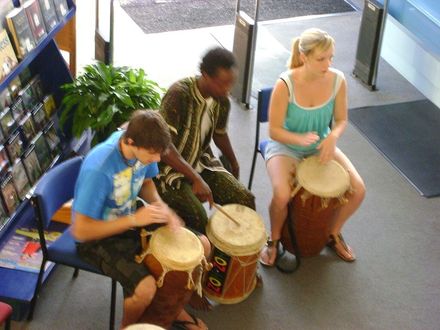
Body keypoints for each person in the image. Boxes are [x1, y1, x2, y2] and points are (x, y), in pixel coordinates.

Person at [71, 110, 209, 329]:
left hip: (131, 217)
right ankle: (131, 326)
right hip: (96, 239)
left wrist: (160, 206)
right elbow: (79, 231)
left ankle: (170, 310)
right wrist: (134, 220)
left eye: (159, 154)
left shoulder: (143, 146)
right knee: (145, 289)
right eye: (152, 154)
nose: (156, 160)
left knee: (201, 245)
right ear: (130, 141)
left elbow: (146, 183)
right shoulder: (99, 169)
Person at [259, 28, 366, 266]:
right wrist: (299, 139)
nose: (328, 64)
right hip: (286, 146)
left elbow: (341, 120)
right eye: (321, 58)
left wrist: (333, 137)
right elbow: (273, 130)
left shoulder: (338, 80)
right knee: (282, 194)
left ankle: (333, 232)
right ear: (304, 57)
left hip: (320, 144)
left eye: (331, 58)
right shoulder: (285, 84)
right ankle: (274, 240)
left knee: (358, 190)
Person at [154, 47, 255, 234]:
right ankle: (205, 258)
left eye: (230, 84)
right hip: (167, 171)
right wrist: (196, 178)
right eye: (222, 84)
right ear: (205, 75)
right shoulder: (179, 94)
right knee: (197, 215)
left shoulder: (221, 100)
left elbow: (219, 133)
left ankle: (234, 259)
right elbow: (164, 147)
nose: (227, 90)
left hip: (201, 162)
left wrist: (233, 162)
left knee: (244, 198)